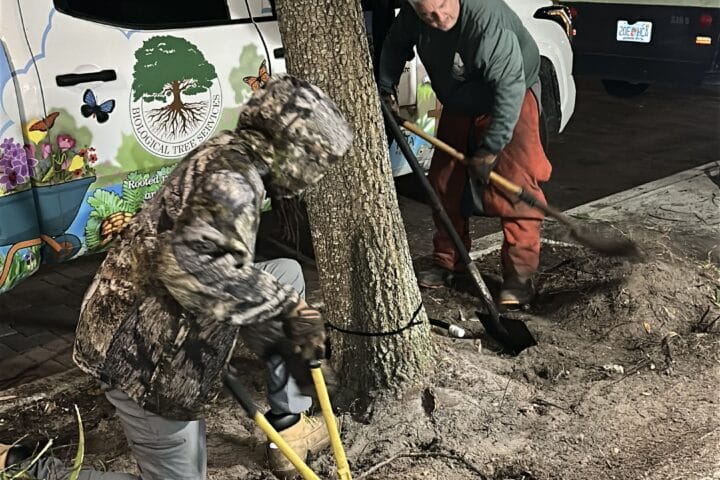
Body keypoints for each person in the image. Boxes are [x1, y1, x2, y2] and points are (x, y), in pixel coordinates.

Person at [0, 75, 353, 480]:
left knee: (284, 274)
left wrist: (279, 332)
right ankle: (26, 470)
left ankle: (289, 427)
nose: (315, 175)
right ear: (293, 152)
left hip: (145, 308)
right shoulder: (233, 182)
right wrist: (285, 310)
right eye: (317, 160)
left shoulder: (231, 152)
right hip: (142, 352)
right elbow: (189, 269)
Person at [378, 0, 552, 307]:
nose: (438, 19)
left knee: (516, 185)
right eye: (427, 14)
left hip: (510, 97)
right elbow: (395, 43)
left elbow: (509, 88)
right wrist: (384, 85)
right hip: (460, 101)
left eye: (443, 7)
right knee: (445, 183)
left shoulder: (488, 24)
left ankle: (520, 278)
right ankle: (448, 261)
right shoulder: (414, 16)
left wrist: (490, 149)